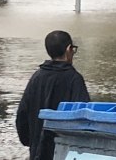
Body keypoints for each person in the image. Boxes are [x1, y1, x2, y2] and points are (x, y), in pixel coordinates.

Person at [16, 30, 90, 160]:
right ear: (68, 49)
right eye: (73, 49)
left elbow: (22, 114)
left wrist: (32, 142)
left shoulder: (36, 77)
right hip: (64, 152)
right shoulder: (74, 79)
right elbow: (84, 117)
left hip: (37, 151)